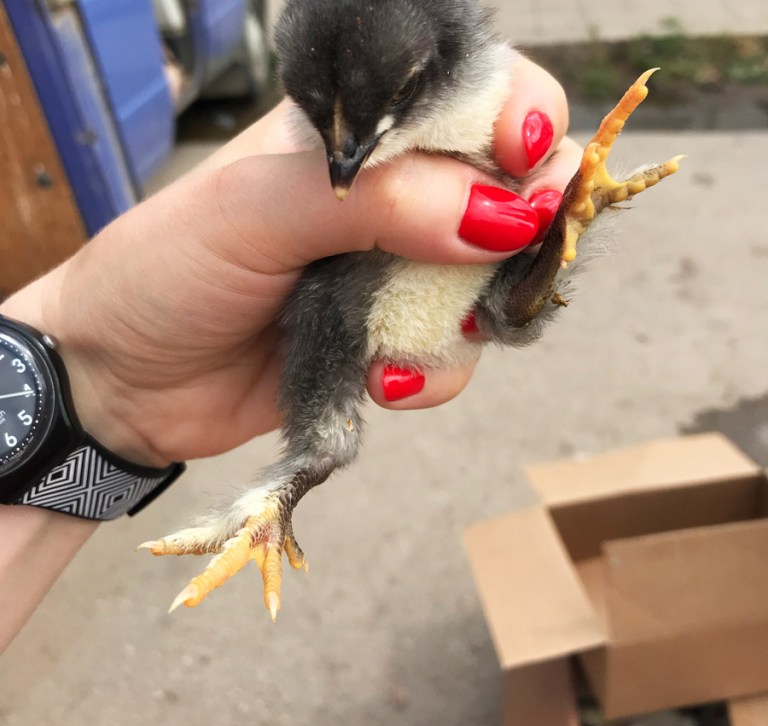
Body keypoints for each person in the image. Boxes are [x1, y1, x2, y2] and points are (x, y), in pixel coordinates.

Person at [0, 54, 579, 651]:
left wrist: (102, 391)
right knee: (440, 297)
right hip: (364, 287)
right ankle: (538, 262)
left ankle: (540, 260)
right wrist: (96, 388)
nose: (340, 157)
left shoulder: (454, 84)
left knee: (496, 281)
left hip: (419, 214)